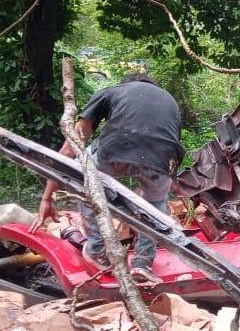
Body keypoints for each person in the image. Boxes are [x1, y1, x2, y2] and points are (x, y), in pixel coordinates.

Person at [29, 73, 184, 281]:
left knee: (83, 178)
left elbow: (71, 148)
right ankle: (143, 262)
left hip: (113, 154)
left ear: (125, 85)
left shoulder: (111, 92)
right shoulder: (170, 101)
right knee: (155, 203)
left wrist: (47, 198)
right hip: (163, 162)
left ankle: (98, 251)